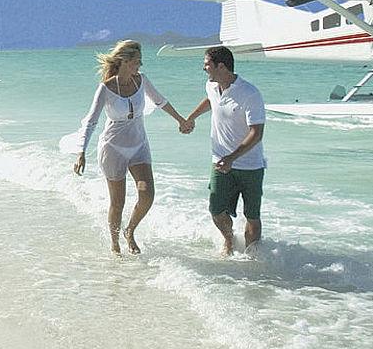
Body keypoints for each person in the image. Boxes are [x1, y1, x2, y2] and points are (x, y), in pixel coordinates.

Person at [70, 40, 191, 254]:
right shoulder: (106, 88)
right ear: (124, 61)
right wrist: (81, 152)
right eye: (137, 62)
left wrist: (180, 120)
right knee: (118, 202)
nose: (140, 65)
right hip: (113, 148)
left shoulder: (141, 81)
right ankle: (115, 245)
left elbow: (160, 101)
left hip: (139, 146)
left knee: (147, 194)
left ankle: (130, 231)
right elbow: (91, 121)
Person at [184, 46, 267, 256]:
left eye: (207, 65)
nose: (204, 69)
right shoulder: (212, 86)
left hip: (250, 166)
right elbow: (211, 101)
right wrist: (191, 117)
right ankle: (229, 241)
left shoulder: (250, 93)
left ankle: (251, 255)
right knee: (216, 210)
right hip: (220, 163)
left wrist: (232, 157)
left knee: (252, 216)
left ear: (221, 66)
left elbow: (256, 133)